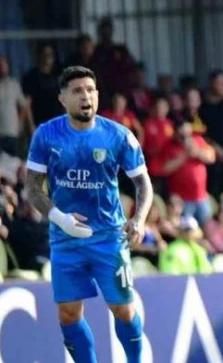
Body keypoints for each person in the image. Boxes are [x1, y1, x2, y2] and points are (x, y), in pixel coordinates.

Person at [23, 66, 152, 363]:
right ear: (62, 99)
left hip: (108, 237)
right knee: (68, 314)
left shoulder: (118, 136)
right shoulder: (46, 135)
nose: (86, 97)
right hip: (64, 239)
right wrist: (60, 219)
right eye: (77, 91)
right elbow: (32, 187)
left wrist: (139, 218)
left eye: (90, 90)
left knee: (123, 309)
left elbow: (143, 182)